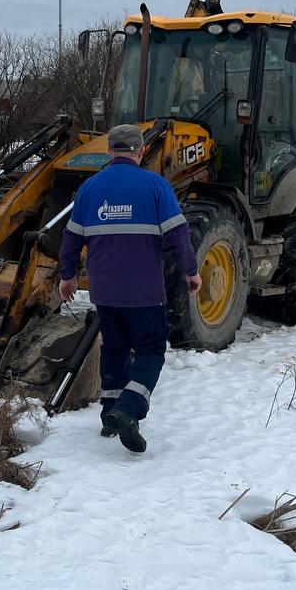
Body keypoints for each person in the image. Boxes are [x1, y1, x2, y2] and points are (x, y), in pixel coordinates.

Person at [58, 124, 201, 453]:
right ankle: (128, 408)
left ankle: (109, 415)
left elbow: (71, 239)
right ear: (140, 152)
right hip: (144, 293)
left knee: (115, 349)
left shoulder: (89, 188)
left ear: (110, 151)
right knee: (150, 350)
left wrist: (67, 277)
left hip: (105, 292)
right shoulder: (155, 185)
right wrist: (191, 271)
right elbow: (178, 235)